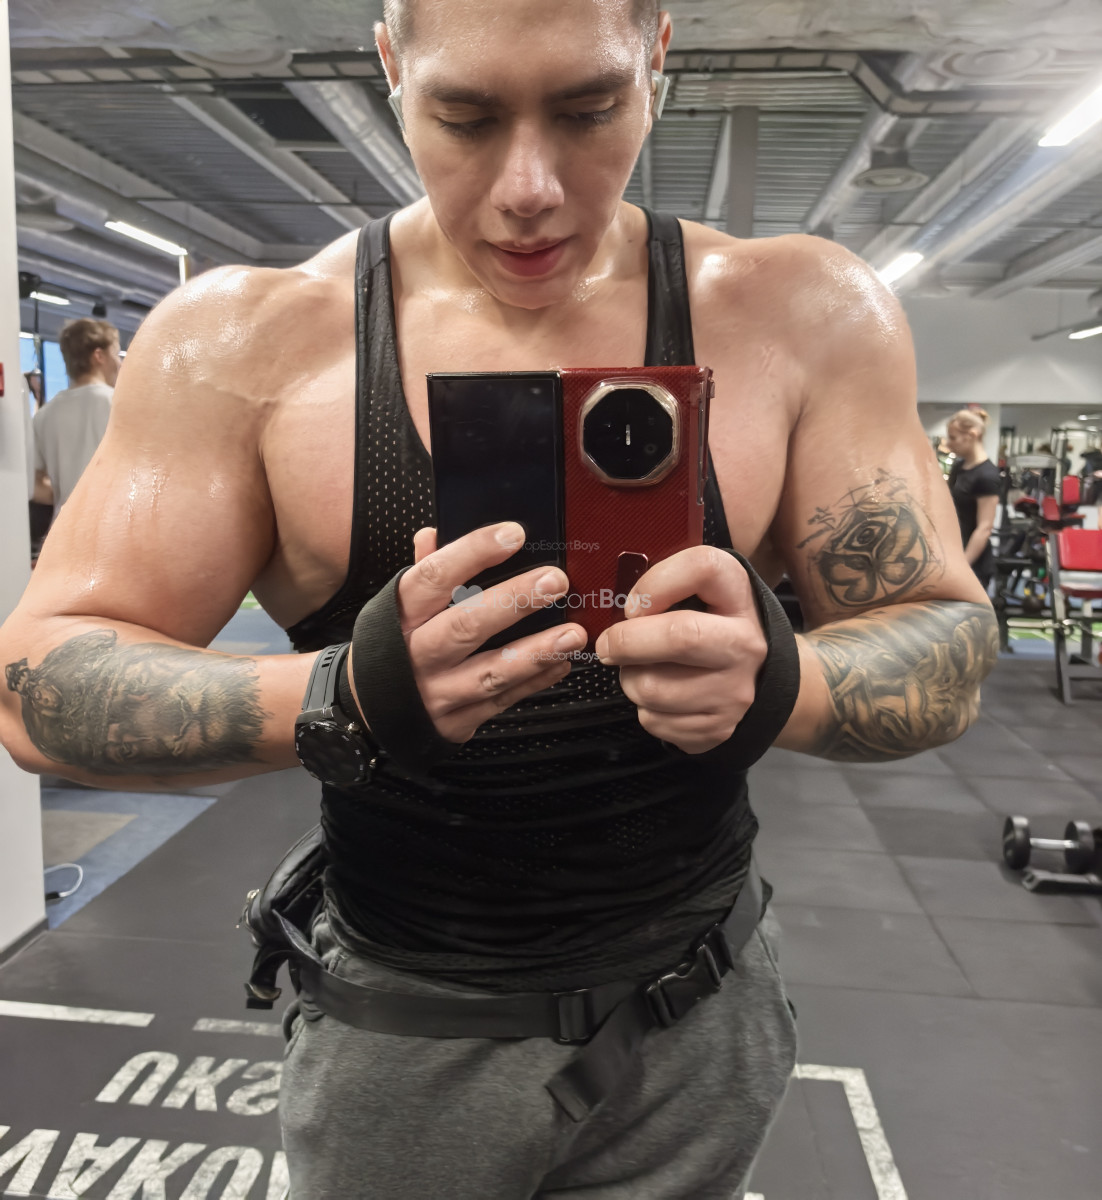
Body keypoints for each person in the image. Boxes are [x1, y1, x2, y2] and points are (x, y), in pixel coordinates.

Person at [0, 3, 999, 1196]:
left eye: (588, 110)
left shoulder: (802, 313)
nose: (530, 190)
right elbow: (34, 684)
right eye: (464, 118)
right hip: (402, 1040)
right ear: (391, 67)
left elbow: (945, 634)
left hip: (697, 1017)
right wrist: (339, 695)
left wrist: (785, 679)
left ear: (656, 58)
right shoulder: (246, 343)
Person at [31, 317, 121, 514]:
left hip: (66, 526)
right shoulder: (118, 404)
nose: (118, 363)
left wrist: (67, 495)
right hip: (111, 522)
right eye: (115, 353)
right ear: (99, 356)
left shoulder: (44, 415)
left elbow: (35, 487)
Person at [945, 408, 1001, 592]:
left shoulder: (987, 475)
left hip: (972, 562)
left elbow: (984, 528)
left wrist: (962, 566)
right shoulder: (958, 467)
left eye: (953, 438)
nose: (949, 444)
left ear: (971, 435)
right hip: (953, 553)